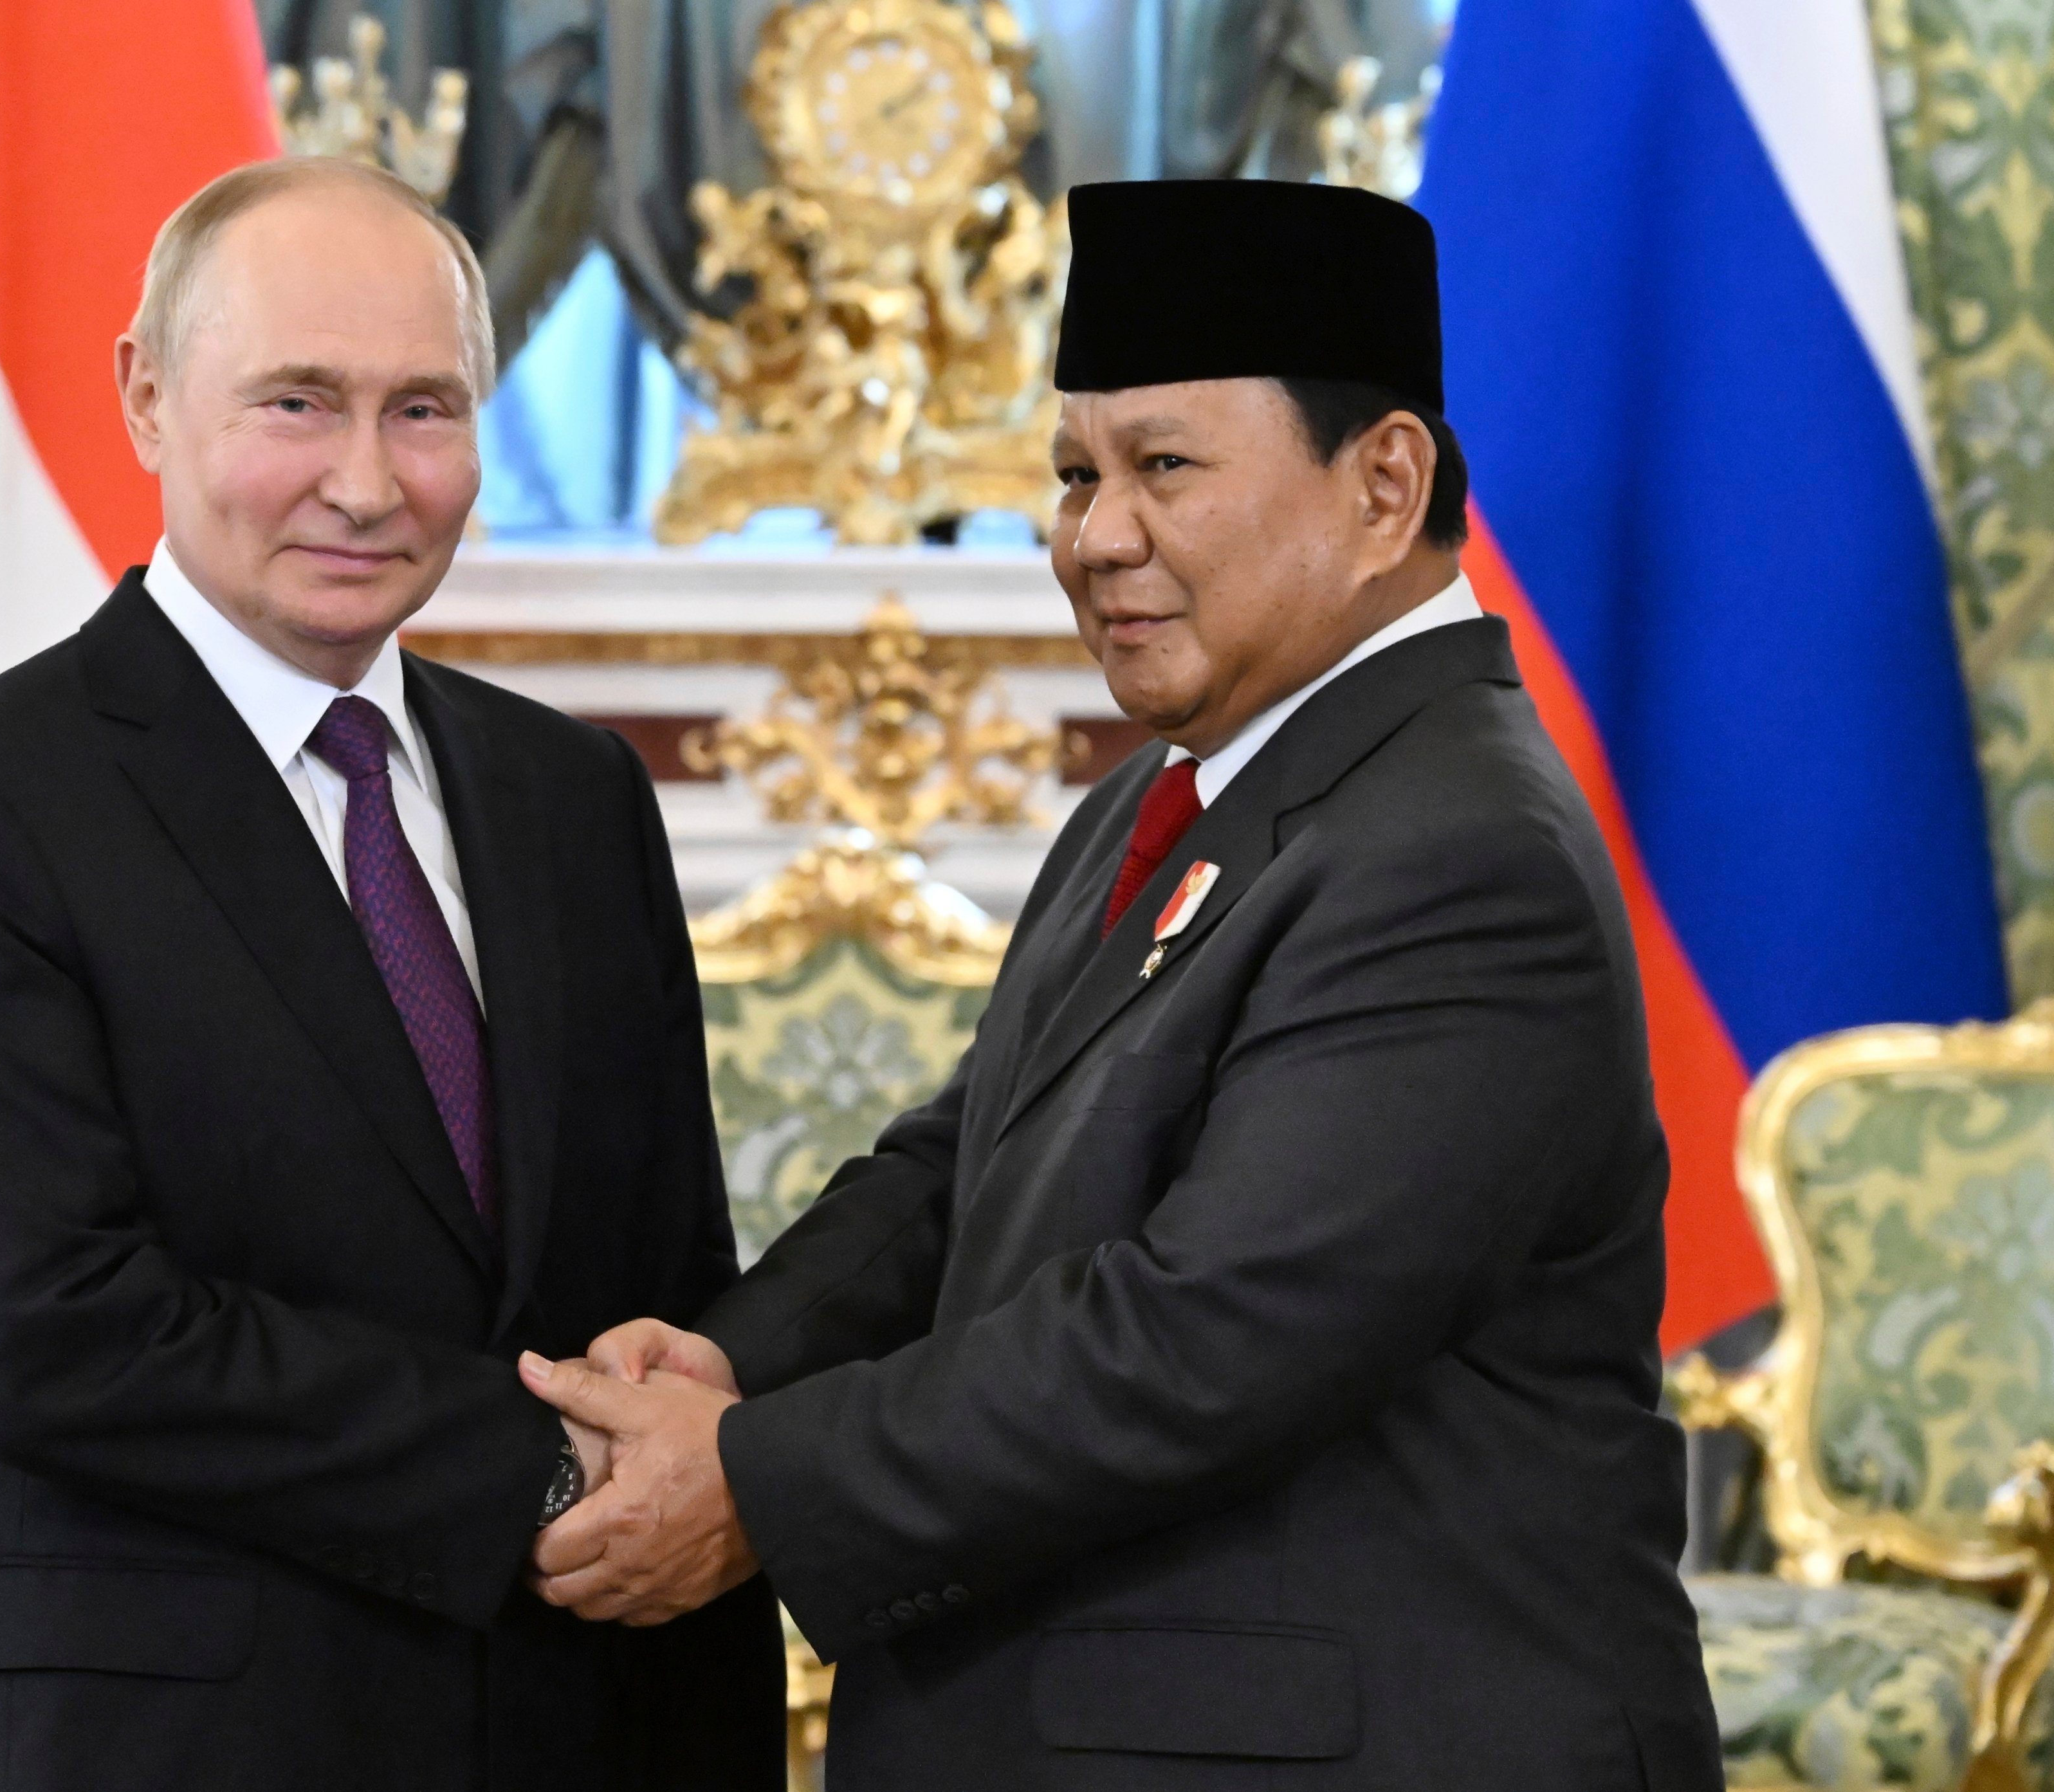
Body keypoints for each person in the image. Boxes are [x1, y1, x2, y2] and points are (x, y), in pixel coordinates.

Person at [522, 179, 1725, 1791]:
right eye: (1073, 472)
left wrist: (751, 1476)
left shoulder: (1458, 852)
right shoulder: (1172, 790)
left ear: (1383, 485)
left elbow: (1199, 1334)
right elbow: (966, 1169)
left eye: (1162, 466)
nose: (1092, 537)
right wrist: (736, 1359)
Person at [0, 157, 782, 1792]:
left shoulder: (572, 796)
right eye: (295, 402)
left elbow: (665, 1271)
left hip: (578, 1724)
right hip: (160, 1736)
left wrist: (720, 1468)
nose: (365, 481)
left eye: (423, 409)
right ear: (144, 393)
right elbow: (55, 1332)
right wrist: (556, 1474)